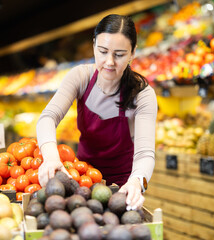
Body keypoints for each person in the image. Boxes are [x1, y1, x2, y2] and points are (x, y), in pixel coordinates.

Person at [36, 14, 157, 210]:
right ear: (94, 46)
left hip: (122, 188)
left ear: (133, 53)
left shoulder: (142, 94)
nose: (109, 62)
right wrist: (51, 157)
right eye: (103, 51)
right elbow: (48, 117)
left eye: (119, 54)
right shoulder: (81, 77)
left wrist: (137, 182)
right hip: (81, 181)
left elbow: (145, 154)